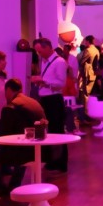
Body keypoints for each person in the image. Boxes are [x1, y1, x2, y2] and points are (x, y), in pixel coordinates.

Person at [0, 78, 47, 200]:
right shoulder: (34, 103)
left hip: (21, 152)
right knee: (22, 150)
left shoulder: (10, 107)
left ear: (9, 90)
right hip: (39, 150)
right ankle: (14, 185)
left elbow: (5, 137)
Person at [32, 37, 68, 172]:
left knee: (58, 131)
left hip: (54, 100)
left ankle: (61, 163)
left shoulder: (59, 62)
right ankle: (51, 160)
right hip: (45, 99)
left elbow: (61, 83)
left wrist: (44, 82)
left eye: (40, 51)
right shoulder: (44, 61)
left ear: (47, 47)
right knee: (48, 131)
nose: (39, 54)